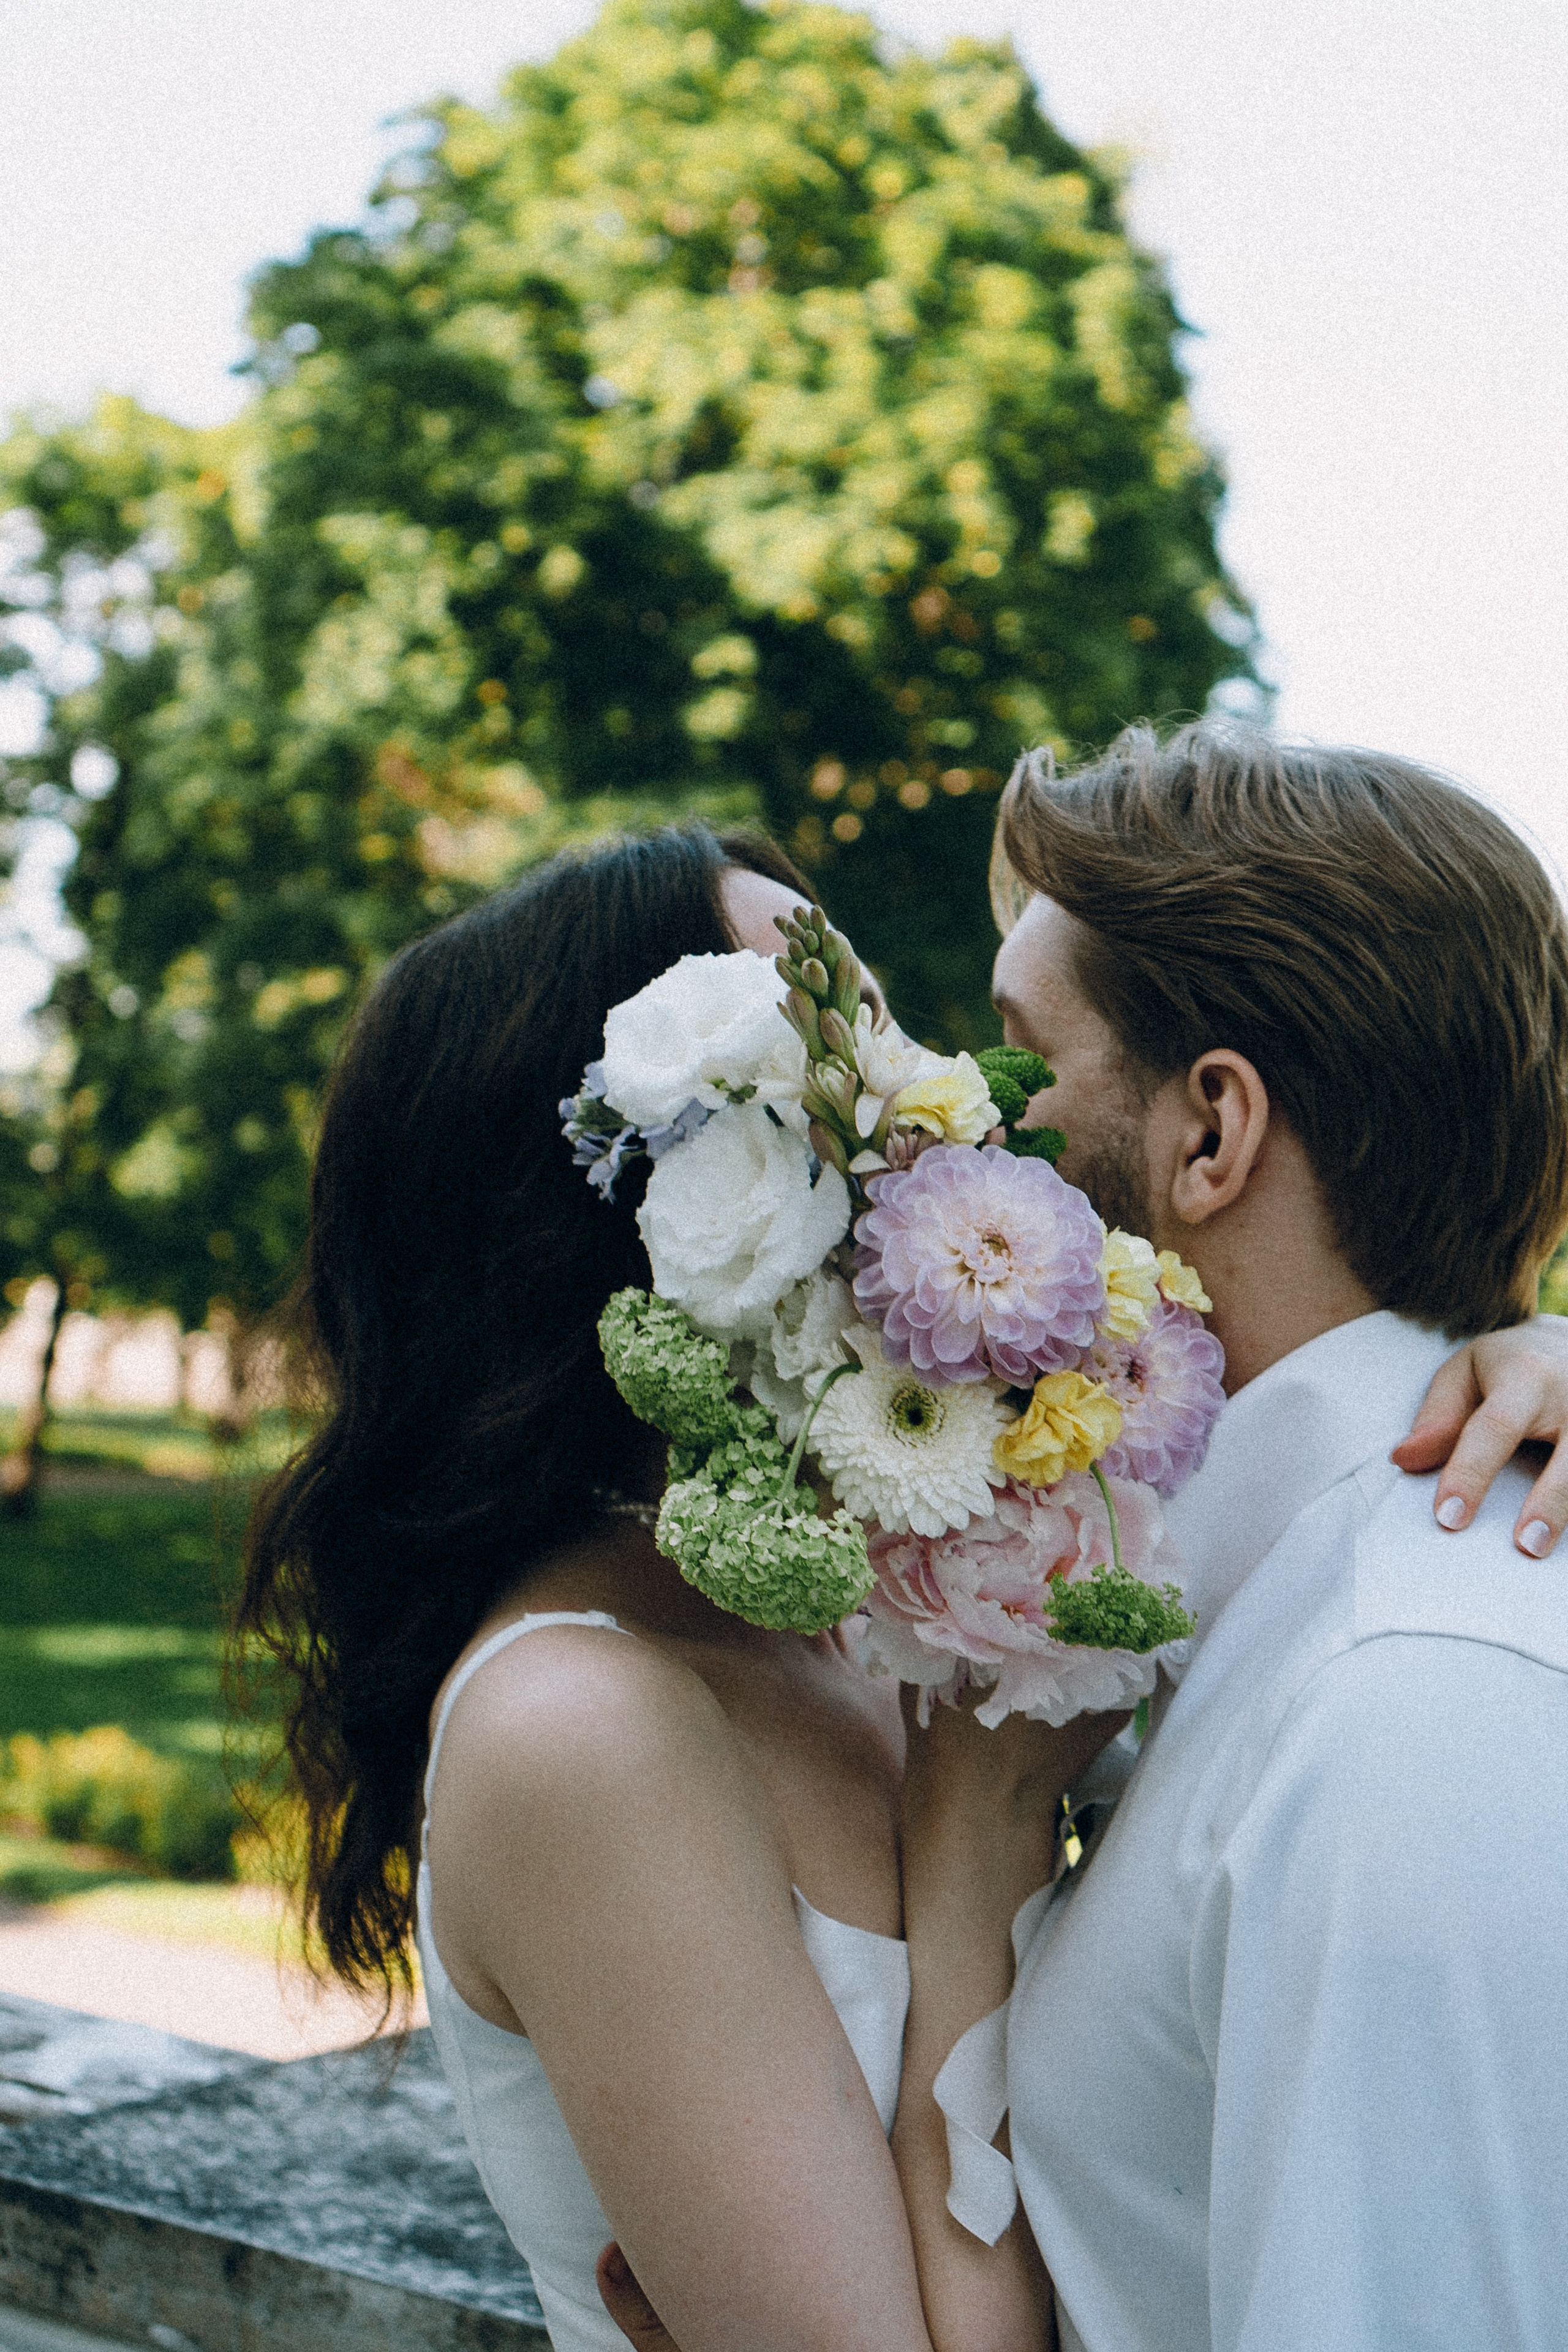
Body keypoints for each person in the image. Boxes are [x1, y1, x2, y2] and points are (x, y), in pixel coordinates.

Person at [235, 810, 1568, 2352]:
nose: (942, 1109)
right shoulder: (581, 1727)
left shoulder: (905, 1594)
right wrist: (975, 1846)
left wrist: (1501, 1342)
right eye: (839, 1047)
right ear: (638, 1187)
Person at [897, 724, 1568, 2352]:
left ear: (1212, 1136)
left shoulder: (1404, 1710)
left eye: (1018, 1068)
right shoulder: (1254, 1608)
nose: (953, 1145)